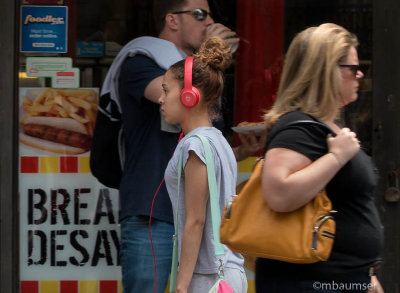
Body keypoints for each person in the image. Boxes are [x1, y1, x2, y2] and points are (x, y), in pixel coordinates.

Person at [99, 0, 265, 292]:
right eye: (200, 14)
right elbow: (167, 91)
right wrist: (208, 57)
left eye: (212, 15)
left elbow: (203, 158)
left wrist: (241, 152)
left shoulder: (199, 124)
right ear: (172, 20)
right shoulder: (139, 59)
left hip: (192, 227)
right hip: (153, 215)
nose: (209, 22)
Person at [257, 23, 384, 293]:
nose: (360, 74)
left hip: (339, 279)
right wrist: (336, 157)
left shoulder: (319, 126)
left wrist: (366, 275)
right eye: (352, 68)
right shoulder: (299, 127)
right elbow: (279, 194)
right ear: (327, 71)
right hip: (310, 282)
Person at [160, 36, 247, 293]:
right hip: (227, 273)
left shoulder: (195, 146)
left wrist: (181, 285)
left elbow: (195, 220)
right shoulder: (218, 141)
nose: (160, 99)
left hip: (206, 278)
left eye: (166, 90)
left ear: (189, 96)